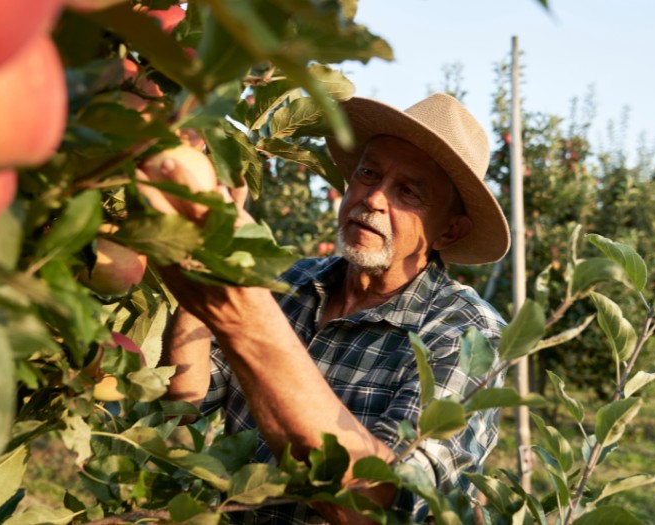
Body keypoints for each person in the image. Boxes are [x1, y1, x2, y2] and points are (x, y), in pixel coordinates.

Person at [156, 93, 511, 524]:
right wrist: (205, 262)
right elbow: (185, 403)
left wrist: (248, 322)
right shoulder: (287, 282)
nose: (374, 198)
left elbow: (380, 505)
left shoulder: (465, 334)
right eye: (369, 173)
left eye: (408, 192)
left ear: (450, 232)